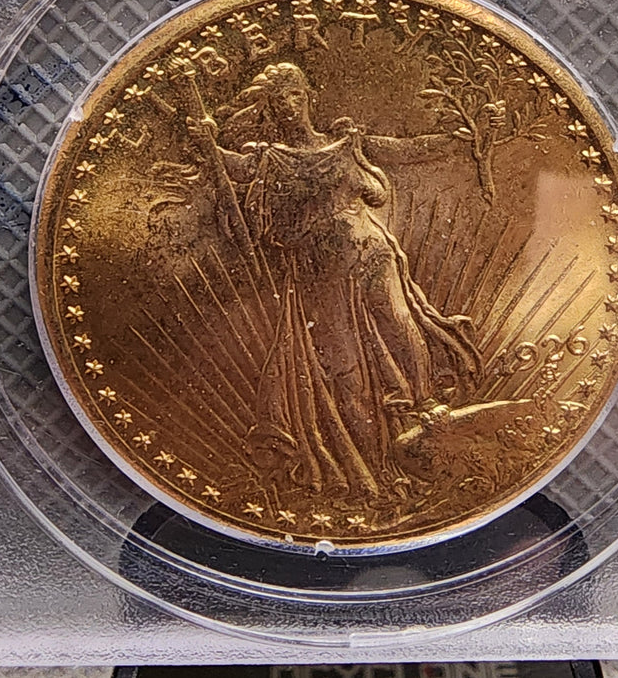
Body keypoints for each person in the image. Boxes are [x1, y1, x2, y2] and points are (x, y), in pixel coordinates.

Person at [189, 61, 481, 507]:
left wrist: (460, 141)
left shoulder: (347, 144)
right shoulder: (270, 158)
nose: (288, 106)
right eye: (278, 101)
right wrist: (207, 142)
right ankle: (373, 462)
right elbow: (236, 168)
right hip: (319, 272)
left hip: (371, 251)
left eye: (294, 95)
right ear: (269, 109)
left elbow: (400, 153)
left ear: (308, 96)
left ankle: (424, 417)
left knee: (401, 326)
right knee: (342, 365)